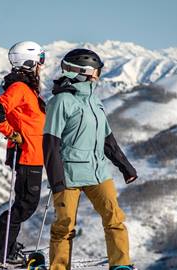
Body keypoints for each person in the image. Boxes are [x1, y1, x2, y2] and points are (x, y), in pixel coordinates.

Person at [43, 48, 138, 270]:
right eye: (97, 70)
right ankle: (58, 267)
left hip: (98, 172)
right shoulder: (61, 102)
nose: (99, 74)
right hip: (69, 175)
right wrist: (57, 181)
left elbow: (108, 139)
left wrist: (126, 168)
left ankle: (120, 265)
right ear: (84, 72)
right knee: (64, 226)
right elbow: (50, 143)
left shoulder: (94, 101)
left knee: (115, 219)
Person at [0, 41, 46, 267]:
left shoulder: (26, 89)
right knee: (25, 205)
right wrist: (13, 134)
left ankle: (6, 249)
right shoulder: (19, 88)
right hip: (27, 155)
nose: (42, 66)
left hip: (34, 155)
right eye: (40, 60)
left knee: (24, 204)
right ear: (30, 62)